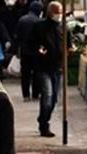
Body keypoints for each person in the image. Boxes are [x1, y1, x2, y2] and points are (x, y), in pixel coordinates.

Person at [28, 1, 71, 137]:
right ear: (50, 12)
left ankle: (44, 119)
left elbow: (69, 44)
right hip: (43, 67)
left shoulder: (64, 28)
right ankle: (44, 124)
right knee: (48, 95)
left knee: (53, 100)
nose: (59, 16)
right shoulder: (39, 26)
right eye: (57, 13)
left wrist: (69, 50)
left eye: (60, 13)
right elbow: (31, 43)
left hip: (57, 68)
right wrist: (39, 49)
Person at [16, 1, 43, 102]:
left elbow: (18, 36)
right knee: (37, 73)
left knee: (25, 74)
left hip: (25, 51)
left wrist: (17, 50)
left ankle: (26, 95)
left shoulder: (22, 19)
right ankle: (35, 94)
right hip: (36, 52)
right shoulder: (40, 21)